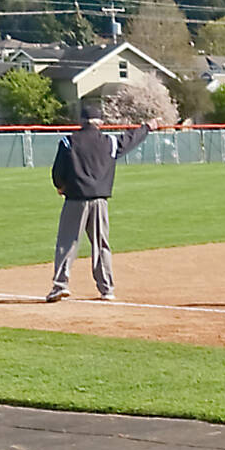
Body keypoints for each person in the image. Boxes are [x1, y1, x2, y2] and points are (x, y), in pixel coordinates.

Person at [46, 105, 159, 302]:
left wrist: (60, 186)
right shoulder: (110, 142)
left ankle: (60, 285)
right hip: (100, 201)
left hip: (75, 199)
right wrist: (147, 127)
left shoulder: (68, 142)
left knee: (67, 243)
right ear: (100, 123)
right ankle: (107, 289)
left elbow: (58, 172)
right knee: (101, 245)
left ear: (81, 121)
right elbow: (130, 140)